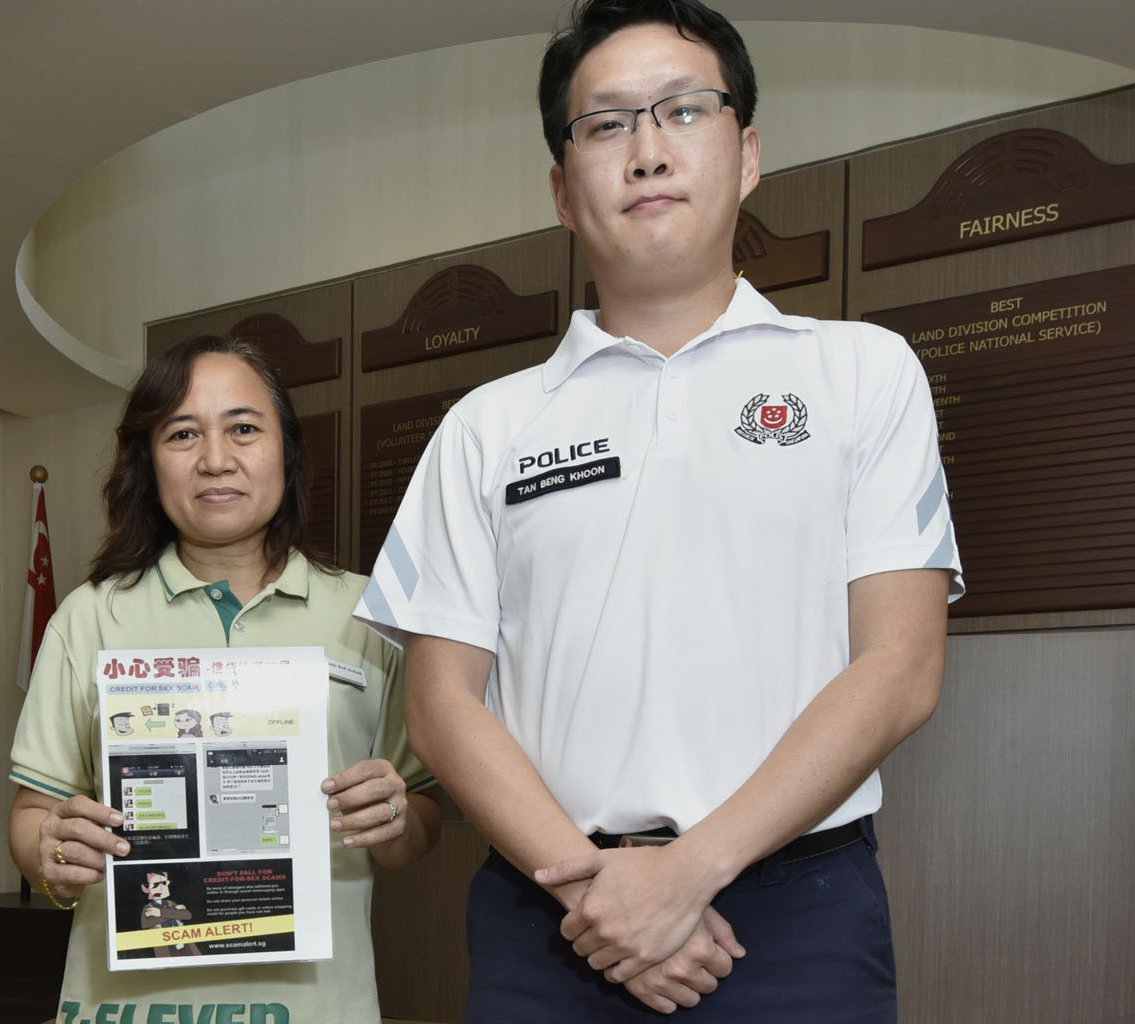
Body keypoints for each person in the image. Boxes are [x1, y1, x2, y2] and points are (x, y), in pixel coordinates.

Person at [354, 1, 963, 1020]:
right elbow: (442, 704)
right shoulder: (486, 425)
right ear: (561, 186)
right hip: (547, 910)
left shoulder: (860, 372)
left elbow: (900, 667)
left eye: (683, 110)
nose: (646, 151)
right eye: (606, 124)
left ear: (748, 151)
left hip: (795, 912)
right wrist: (599, 894)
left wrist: (688, 872)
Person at [10, 336, 440, 1023]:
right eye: (183, 434)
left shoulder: (371, 617)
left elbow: (419, 821)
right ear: (148, 462)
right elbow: (34, 815)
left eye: (243, 428)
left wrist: (393, 818)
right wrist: (50, 850)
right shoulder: (89, 618)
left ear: (287, 450)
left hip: (318, 1006)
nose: (216, 459)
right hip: (122, 1009)